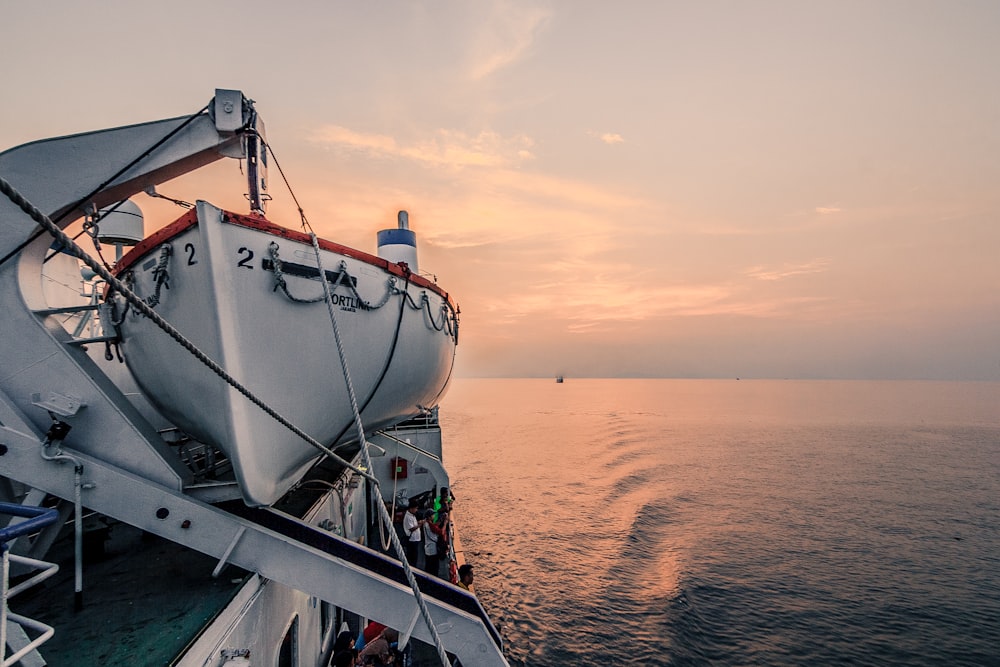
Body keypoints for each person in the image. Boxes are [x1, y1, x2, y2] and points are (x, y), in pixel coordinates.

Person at [402, 499, 423, 565]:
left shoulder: (412, 515)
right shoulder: (408, 517)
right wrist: (419, 525)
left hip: (415, 539)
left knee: (414, 556)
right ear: (411, 508)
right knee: (412, 557)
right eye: (415, 508)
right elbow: (411, 529)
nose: (416, 510)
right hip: (412, 540)